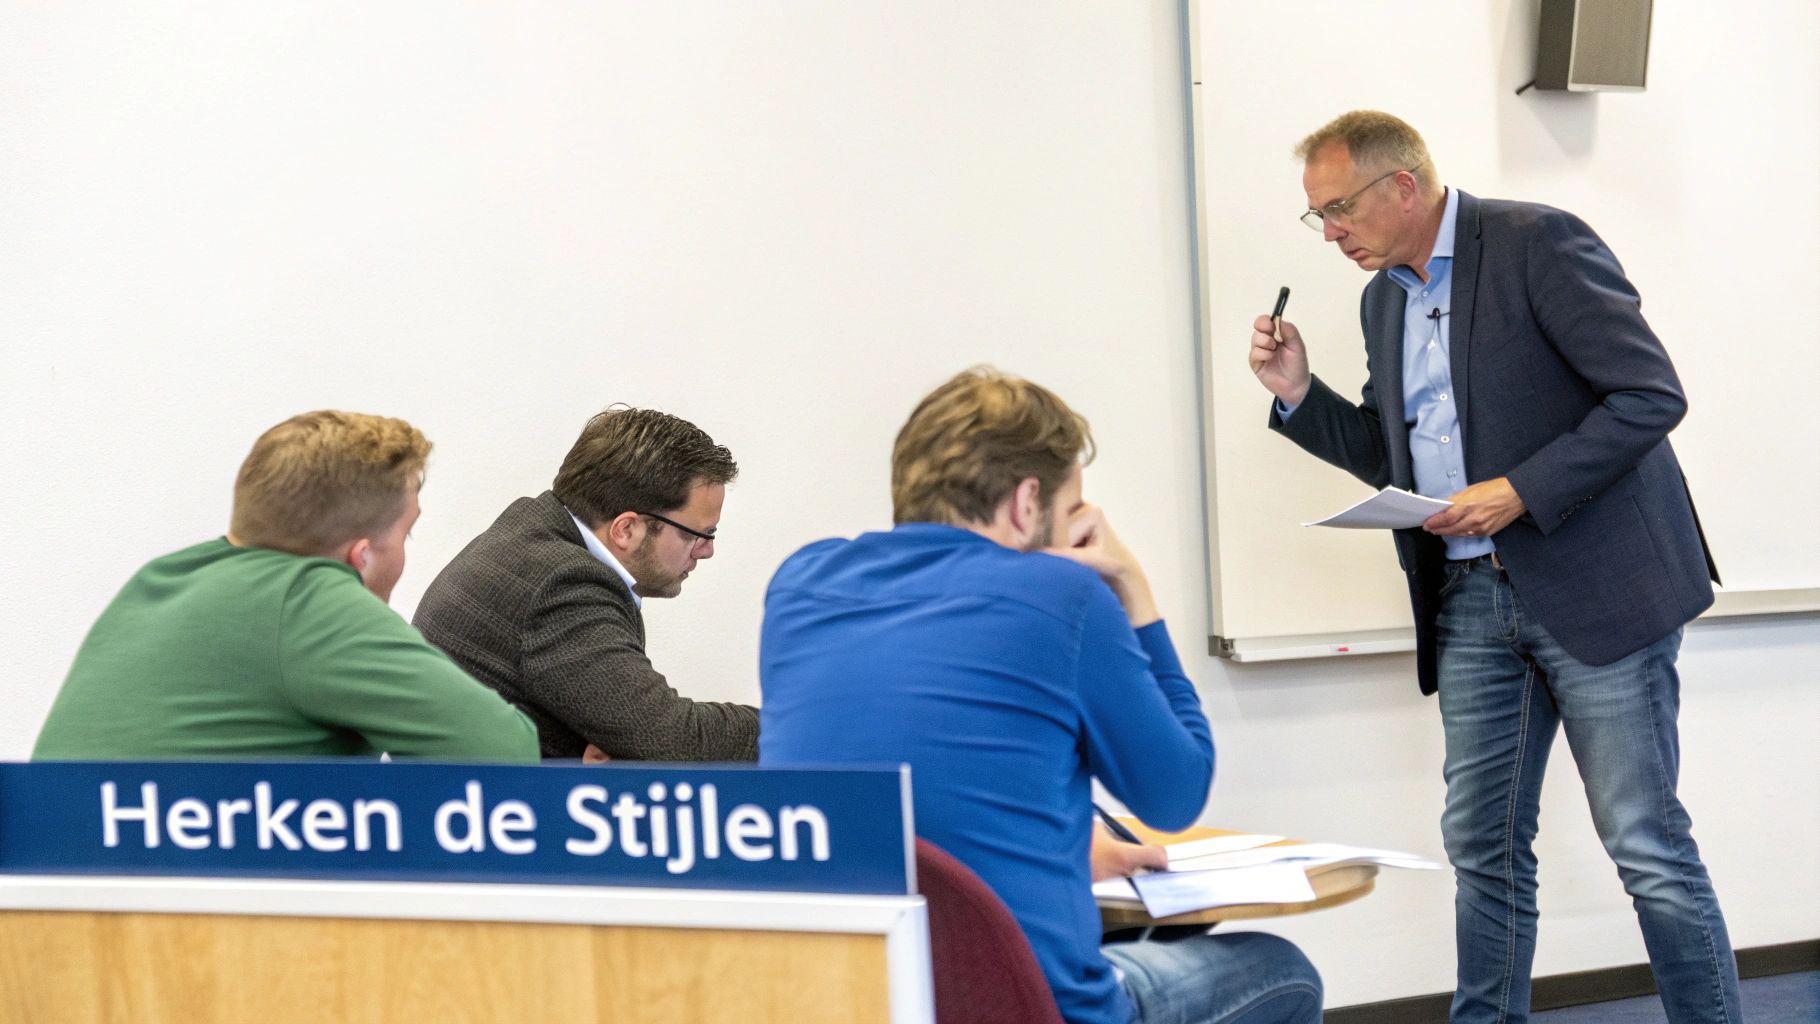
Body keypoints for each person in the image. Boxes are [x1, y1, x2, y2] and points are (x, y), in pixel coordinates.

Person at [1249, 110, 1738, 1024]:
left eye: (1340, 209)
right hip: (1469, 596)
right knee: (1482, 843)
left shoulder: (1535, 243)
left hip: (1596, 587)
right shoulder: (1382, 298)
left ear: (1403, 185)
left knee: (1646, 845)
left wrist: (1521, 487)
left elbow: (1649, 395)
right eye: (1317, 218)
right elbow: (1389, 450)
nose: (1332, 233)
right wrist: (1297, 396)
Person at [759, 368, 1322, 1024]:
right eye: (1070, 510)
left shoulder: (799, 585)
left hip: (861, 999)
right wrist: (1131, 587)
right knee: (1282, 971)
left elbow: (920, 775)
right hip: (1034, 1006)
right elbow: (1175, 795)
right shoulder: (1061, 594)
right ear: (1027, 503)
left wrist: (1059, 846)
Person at [34, 411, 540, 762]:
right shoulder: (308, 598)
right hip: (174, 911)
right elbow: (502, 751)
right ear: (359, 557)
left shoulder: (160, 579)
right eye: (407, 533)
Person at [414, 407, 757, 761]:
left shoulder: (533, 534)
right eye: (700, 534)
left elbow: (639, 735)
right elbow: (669, 738)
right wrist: (795, 728)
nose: (707, 551)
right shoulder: (562, 584)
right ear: (626, 529)